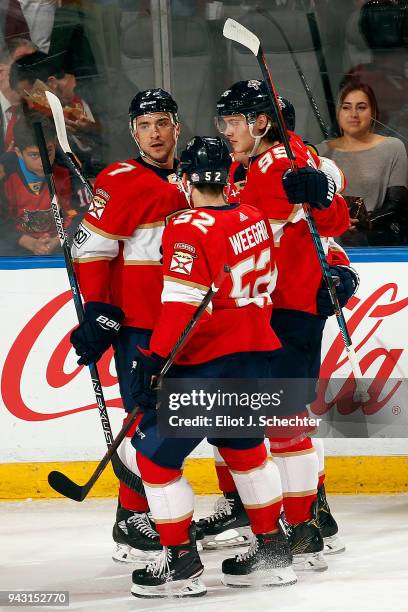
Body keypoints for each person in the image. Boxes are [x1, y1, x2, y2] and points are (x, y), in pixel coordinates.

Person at [128, 136, 297, 597]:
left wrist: (154, 359)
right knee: (244, 449)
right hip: (258, 354)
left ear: (185, 178)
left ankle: (180, 564)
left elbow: (182, 303)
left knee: (154, 459)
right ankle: (273, 553)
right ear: (228, 175)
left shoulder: (186, 225)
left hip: (208, 363)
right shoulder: (255, 217)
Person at [196, 80, 353, 570]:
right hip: (275, 311)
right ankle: (303, 520)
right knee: (276, 419)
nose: (226, 132)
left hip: (286, 311)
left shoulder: (278, 162)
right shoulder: (262, 163)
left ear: (261, 122)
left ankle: (301, 529)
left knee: (284, 423)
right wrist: (326, 183)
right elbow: (326, 212)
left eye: (233, 122)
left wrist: (324, 187)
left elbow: (332, 220)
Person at [69, 88, 187, 564]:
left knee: (182, 419)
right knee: (145, 417)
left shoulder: (196, 175)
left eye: (162, 122)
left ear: (177, 125)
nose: (154, 133)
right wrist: (97, 308)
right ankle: (131, 518)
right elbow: (89, 248)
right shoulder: (120, 180)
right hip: (141, 326)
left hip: (188, 321)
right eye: (144, 125)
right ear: (132, 131)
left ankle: (155, 512)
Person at [317, 81, 408, 246]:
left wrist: (364, 223)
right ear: (338, 113)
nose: (353, 114)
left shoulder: (393, 147)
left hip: (377, 245)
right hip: (328, 245)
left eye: (361, 107)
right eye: (346, 107)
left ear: (373, 112)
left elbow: (397, 204)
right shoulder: (319, 152)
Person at [0, 113, 75, 255]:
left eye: (49, 152)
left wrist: (60, 238)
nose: (44, 162)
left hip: (63, 242)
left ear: (55, 144)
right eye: (34, 155)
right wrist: (27, 242)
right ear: (19, 153)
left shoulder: (69, 166)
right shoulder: (4, 173)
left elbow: (83, 213)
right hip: (17, 245)